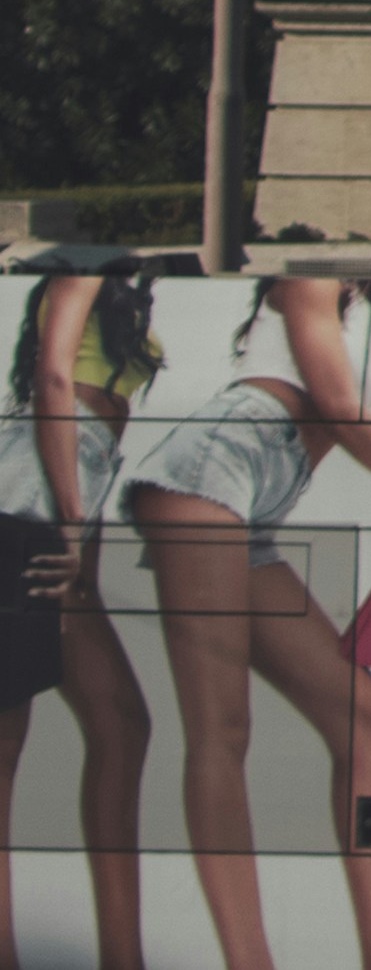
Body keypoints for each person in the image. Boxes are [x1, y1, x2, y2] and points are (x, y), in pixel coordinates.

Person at [120, 275, 371, 970]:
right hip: (214, 466)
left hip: (263, 498)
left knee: (368, 720)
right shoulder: (310, 276)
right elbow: (339, 406)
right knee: (222, 729)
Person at [8, 267, 161, 970]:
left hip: (63, 504)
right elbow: (54, 382)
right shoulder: (78, 270)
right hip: (25, 508)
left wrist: (79, 544)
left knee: (123, 724)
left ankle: (123, 956)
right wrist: (71, 521)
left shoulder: (136, 276)